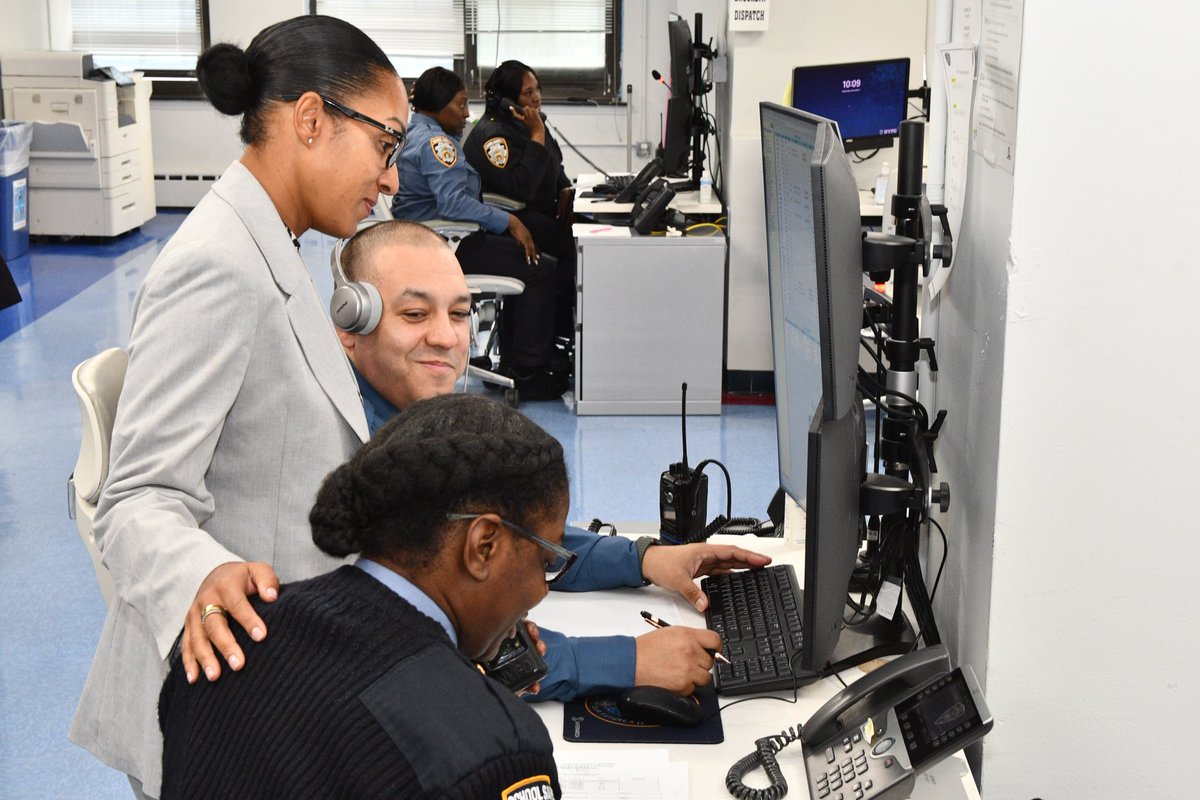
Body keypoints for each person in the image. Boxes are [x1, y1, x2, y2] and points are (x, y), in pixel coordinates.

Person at [69, 16, 407, 799]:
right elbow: (137, 500)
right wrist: (205, 572)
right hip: (230, 701)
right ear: (313, 119)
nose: (391, 178)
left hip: (287, 663)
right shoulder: (220, 266)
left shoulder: (274, 244)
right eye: (386, 143)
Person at [333, 219, 773, 700]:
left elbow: (516, 534)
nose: (445, 337)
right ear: (350, 326)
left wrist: (644, 559)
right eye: (415, 314)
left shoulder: (425, 422)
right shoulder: (341, 457)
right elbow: (424, 647)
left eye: (459, 314)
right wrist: (625, 661)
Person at [159, 393, 566, 799]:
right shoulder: (498, 755)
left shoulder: (222, 642)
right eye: (545, 561)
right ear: (483, 546)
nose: (541, 590)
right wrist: (475, 710)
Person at [392, 66, 570, 399]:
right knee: (541, 269)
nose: (466, 114)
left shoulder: (414, 133)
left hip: (435, 241)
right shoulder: (436, 144)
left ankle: (513, 364)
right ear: (440, 105)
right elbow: (453, 203)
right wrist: (509, 222)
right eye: (459, 105)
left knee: (528, 258)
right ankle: (526, 373)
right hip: (447, 244)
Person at [463, 60, 577, 340]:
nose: (537, 97)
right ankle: (556, 339)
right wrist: (536, 136)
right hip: (508, 217)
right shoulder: (493, 137)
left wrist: (564, 188)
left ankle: (561, 335)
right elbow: (522, 187)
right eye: (528, 93)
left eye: (537, 89)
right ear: (506, 101)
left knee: (577, 230)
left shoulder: (529, 121)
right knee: (568, 244)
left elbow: (554, 164)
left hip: (537, 211)